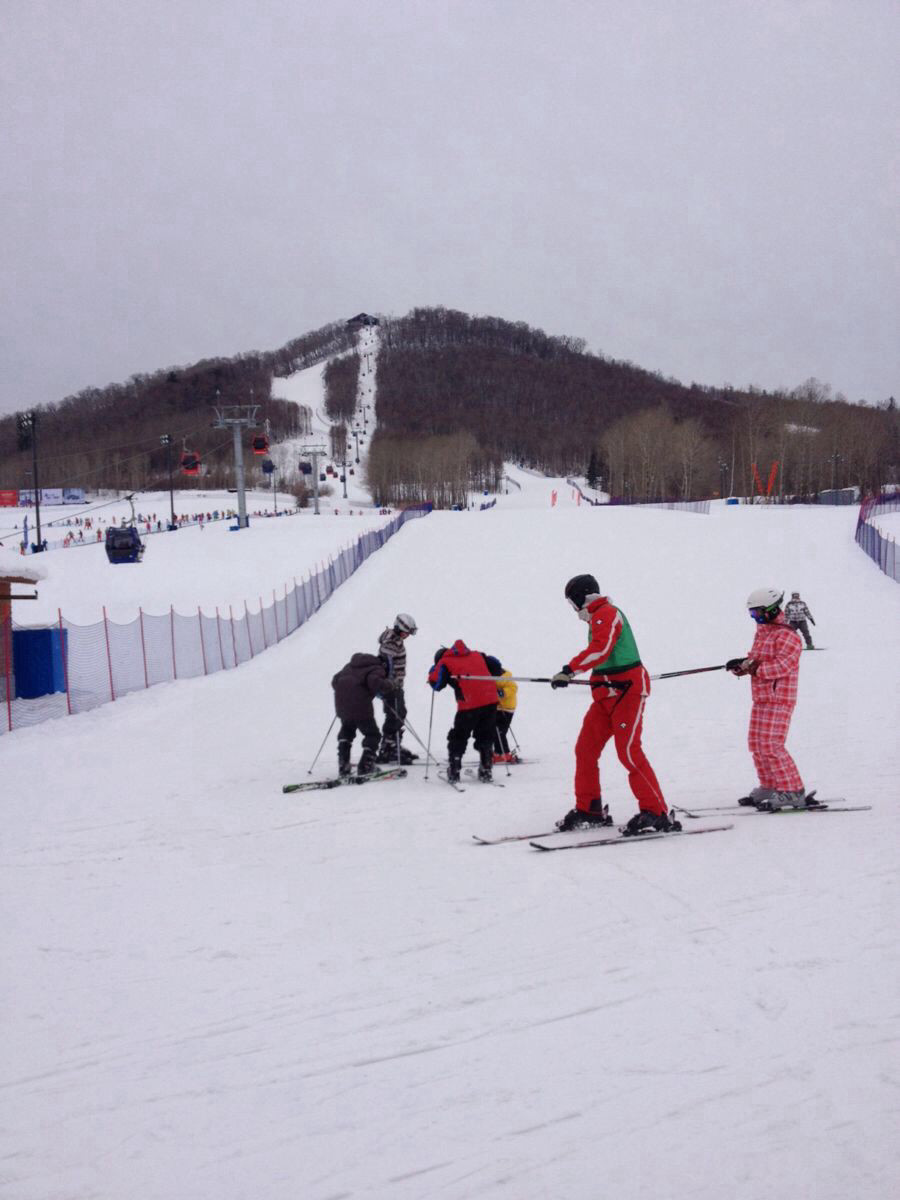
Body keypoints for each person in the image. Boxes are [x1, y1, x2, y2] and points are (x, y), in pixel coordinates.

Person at [550, 574, 674, 835]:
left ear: (580, 597)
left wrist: (570, 670)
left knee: (628, 751)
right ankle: (589, 809)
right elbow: (603, 658)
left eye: (572, 602)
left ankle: (656, 812)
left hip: (627, 692)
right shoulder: (595, 617)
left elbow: (601, 649)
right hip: (605, 695)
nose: (572, 609)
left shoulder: (606, 613)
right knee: (585, 749)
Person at [726, 587, 808, 809]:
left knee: (772, 745)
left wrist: (753, 667)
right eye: (752, 614)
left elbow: (781, 667)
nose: (755, 618)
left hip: (779, 698)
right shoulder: (764, 632)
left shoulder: (788, 635)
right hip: (762, 697)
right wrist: (741, 666)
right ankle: (770, 785)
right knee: (757, 744)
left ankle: (793, 791)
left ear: (771, 610)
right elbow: (757, 660)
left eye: (757, 613)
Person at [428, 640, 501, 782]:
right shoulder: (477, 654)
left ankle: (454, 769)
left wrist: (433, 670)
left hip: (469, 703)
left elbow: (436, 684)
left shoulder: (444, 662)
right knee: (486, 734)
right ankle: (486, 769)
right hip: (490, 699)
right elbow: (496, 665)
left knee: (459, 736)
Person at [331, 652, 397, 778]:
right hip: (360, 705)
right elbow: (375, 683)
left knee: (347, 730)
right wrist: (391, 684)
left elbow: (335, 680)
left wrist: (347, 691)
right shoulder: (377, 668)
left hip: (342, 704)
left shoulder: (350, 665)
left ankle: (343, 765)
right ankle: (366, 766)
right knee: (373, 734)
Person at [375, 613, 419, 764]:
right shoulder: (391, 643)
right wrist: (389, 685)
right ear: (399, 628)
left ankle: (392, 745)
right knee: (396, 713)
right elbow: (386, 665)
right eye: (407, 632)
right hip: (390, 687)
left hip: (395, 685)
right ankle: (389, 748)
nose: (407, 635)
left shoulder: (396, 640)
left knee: (398, 713)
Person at [493, 669, 518, 763]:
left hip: (507, 709)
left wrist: (502, 692)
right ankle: (498, 753)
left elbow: (513, 688)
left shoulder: (507, 677)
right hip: (497, 708)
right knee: (495, 731)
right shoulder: (490, 677)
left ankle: (505, 754)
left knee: (500, 732)